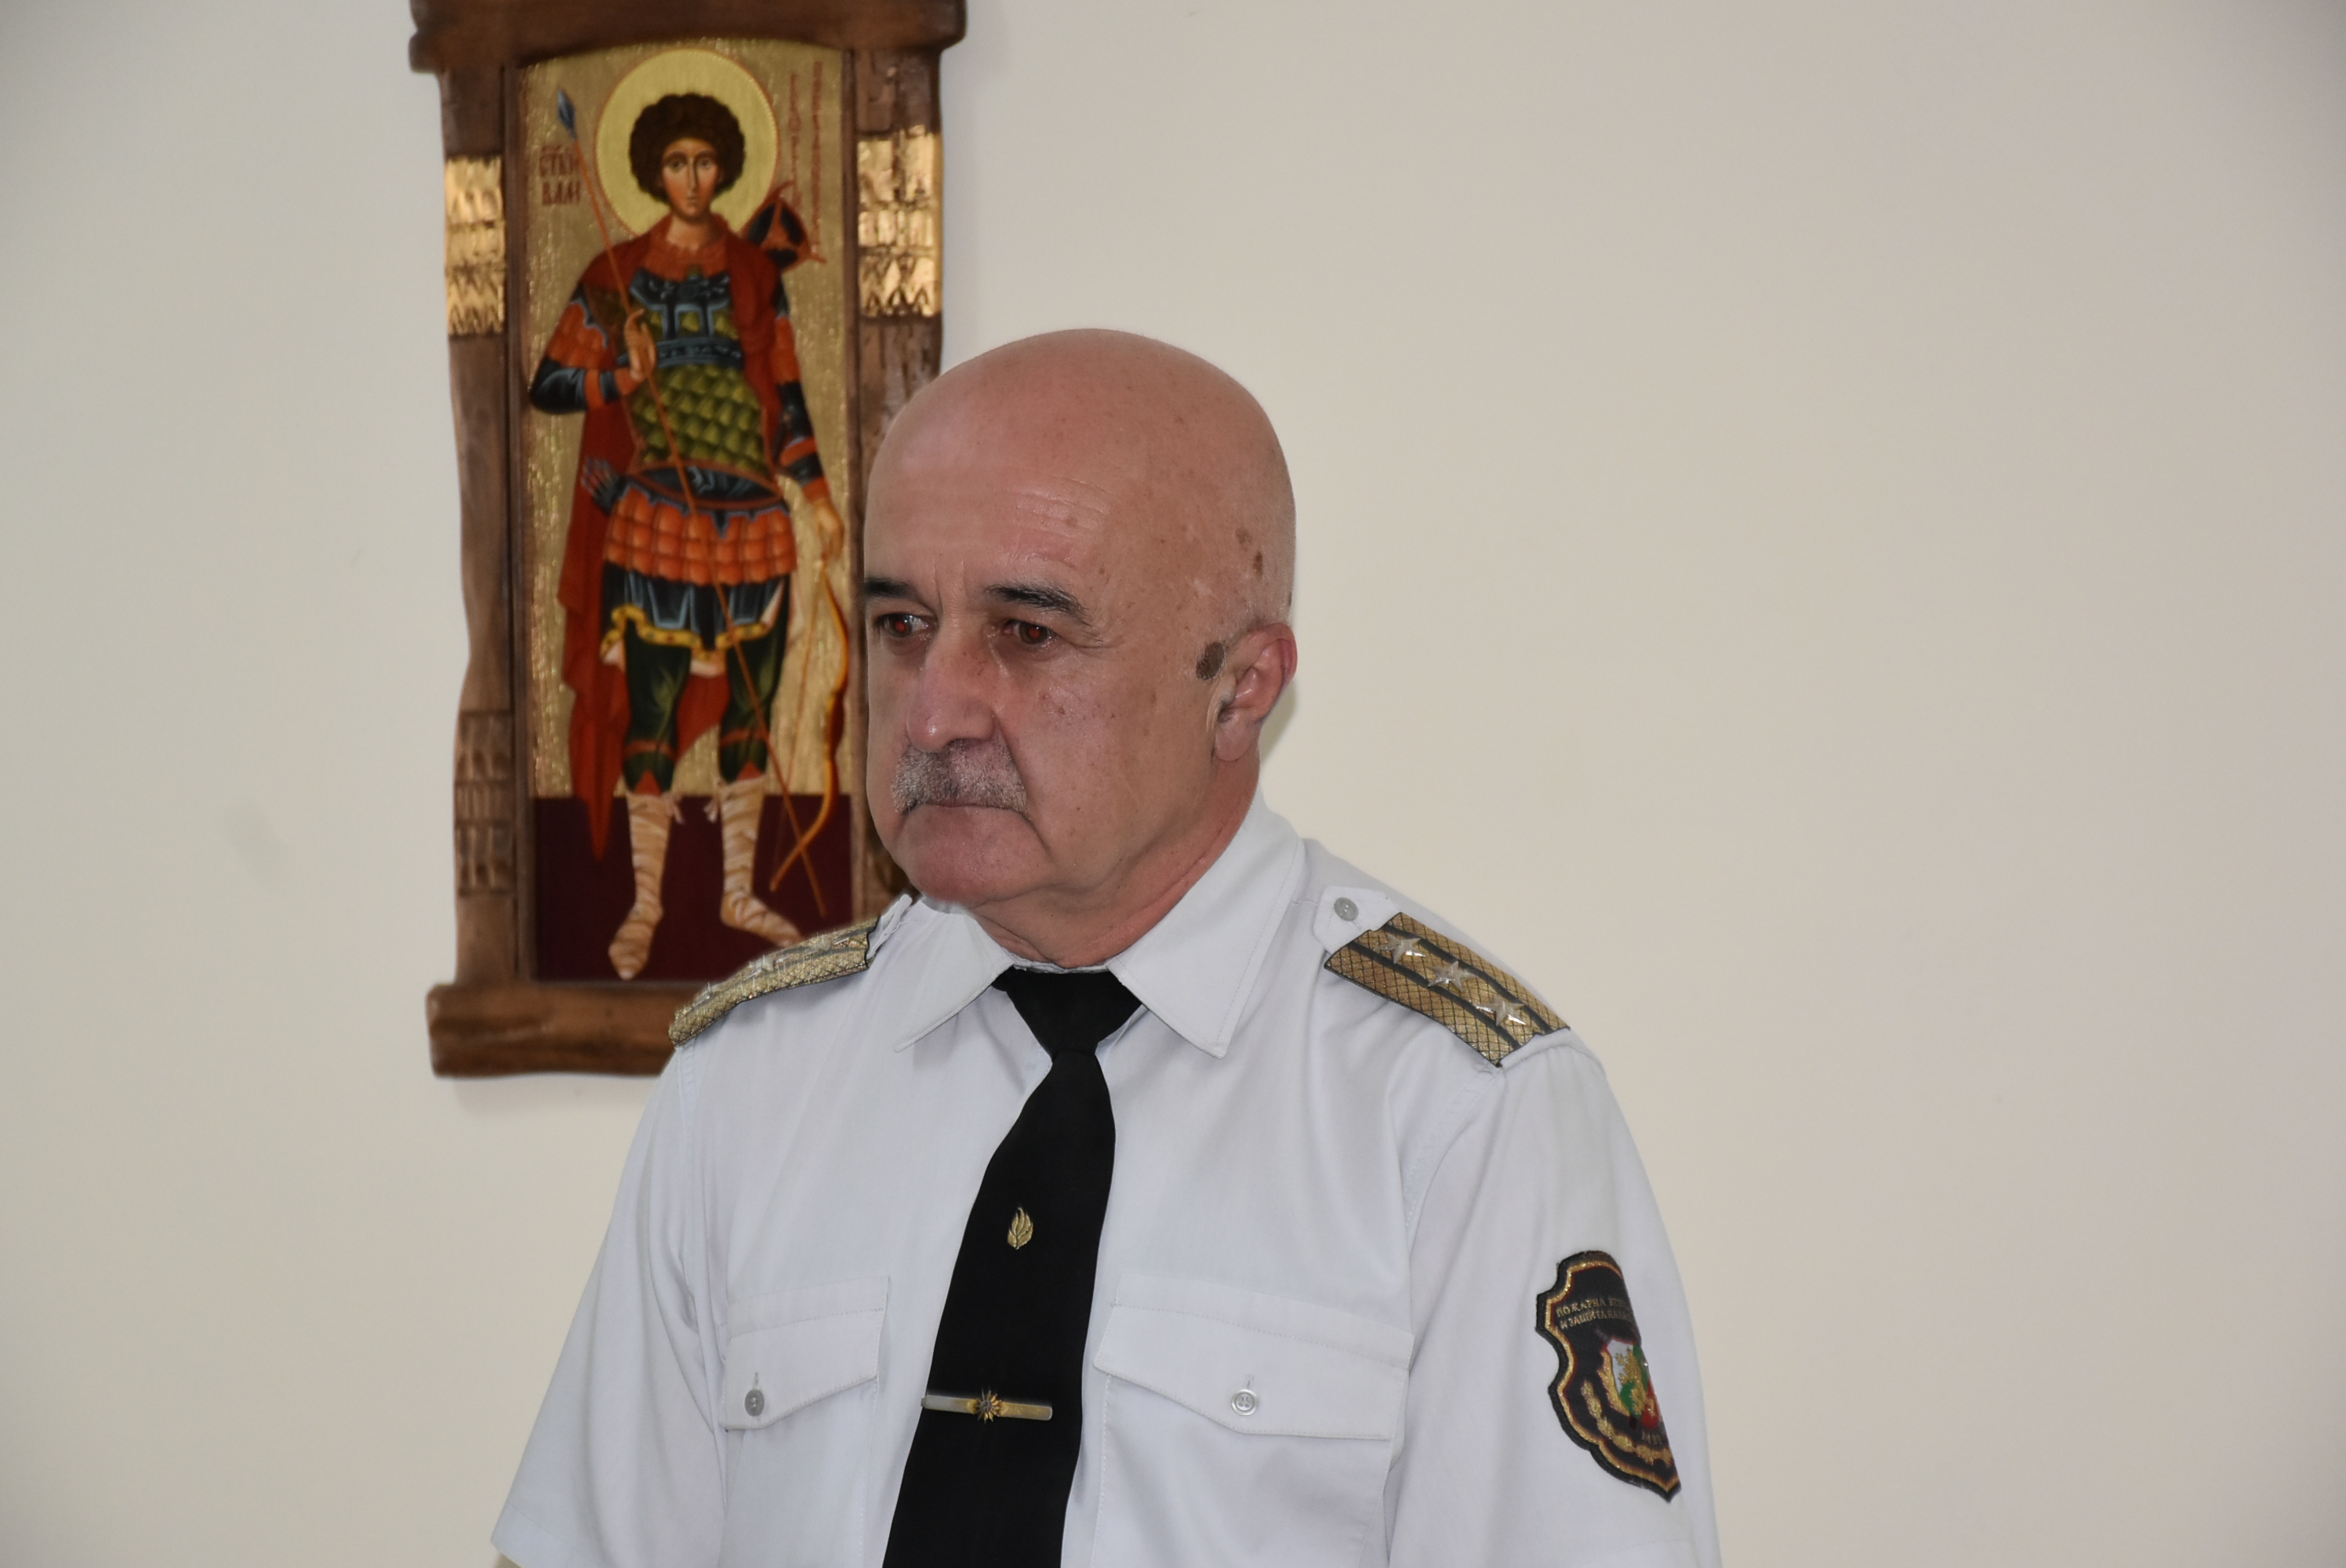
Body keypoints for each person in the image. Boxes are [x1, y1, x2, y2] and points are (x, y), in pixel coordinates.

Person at [493, 331, 1721, 1568]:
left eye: (1027, 633)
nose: (934, 711)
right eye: (904, 624)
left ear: (1243, 688)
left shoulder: (1454, 1113)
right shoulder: (755, 1078)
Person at [528, 90, 847, 978]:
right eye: (676, 163)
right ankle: (648, 905)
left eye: (705, 161)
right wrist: (622, 380)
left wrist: (819, 497)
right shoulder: (616, 274)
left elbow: (787, 399)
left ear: (725, 168)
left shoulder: (755, 275)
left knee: (751, 707)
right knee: (655, 709)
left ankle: (737, 893)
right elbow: (548, 384)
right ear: (653, 173)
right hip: (658, 519)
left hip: (753, 522)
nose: (692, 178)